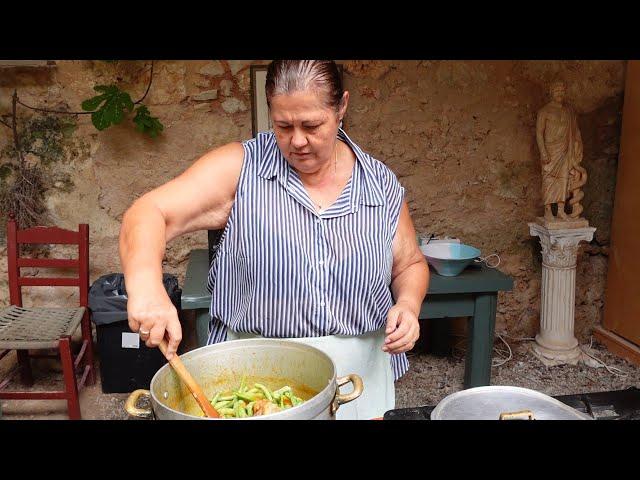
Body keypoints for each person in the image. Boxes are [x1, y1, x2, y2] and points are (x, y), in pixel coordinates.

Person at [119, 60, 429, 419]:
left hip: (357, 381)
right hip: (252, 379)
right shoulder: (242, 168)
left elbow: (409, 263)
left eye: (312, 125)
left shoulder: (379, 185)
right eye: (283, 126)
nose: (297, 141)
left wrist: (408, 305)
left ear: (341, 107)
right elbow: (147, 213)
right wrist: (146, 287)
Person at [535, 79, 584, 221]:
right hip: (550, 151)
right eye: (557, 91)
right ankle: (548, 210)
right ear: (551, 92)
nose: (560, 93)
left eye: (562, 91)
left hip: (565, 150)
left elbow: (575, 131)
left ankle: (561, 210)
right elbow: (539, 133)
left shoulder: (569, 112)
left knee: (563, 179)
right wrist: (543, 151)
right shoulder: (544, 111)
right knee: (549, 179)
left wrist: (577, 146)